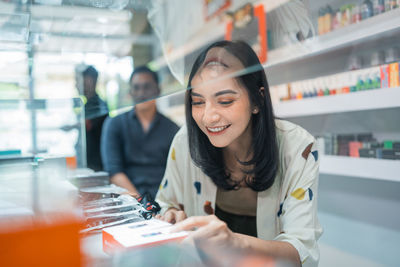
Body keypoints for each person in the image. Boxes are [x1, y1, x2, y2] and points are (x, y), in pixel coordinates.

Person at [155, 41, 322, 267]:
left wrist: (236, 243)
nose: (208, 117)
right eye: (198, 102)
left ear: (257, 100)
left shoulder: (297, 147)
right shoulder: (185, 141)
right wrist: (171, 214)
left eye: (225, 101)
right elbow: (165, 203)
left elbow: (301, 251)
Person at [101, 66, 179, 199]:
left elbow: (177, 174)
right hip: (127, 201)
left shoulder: (173, 129)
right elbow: (114, 171)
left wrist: (165, 206)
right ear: (130, 93)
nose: (142, 92)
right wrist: (142, 204)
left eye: (147, 86)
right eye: (136, 88)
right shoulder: (115, 124)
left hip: (165, 201)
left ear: (158, 90)